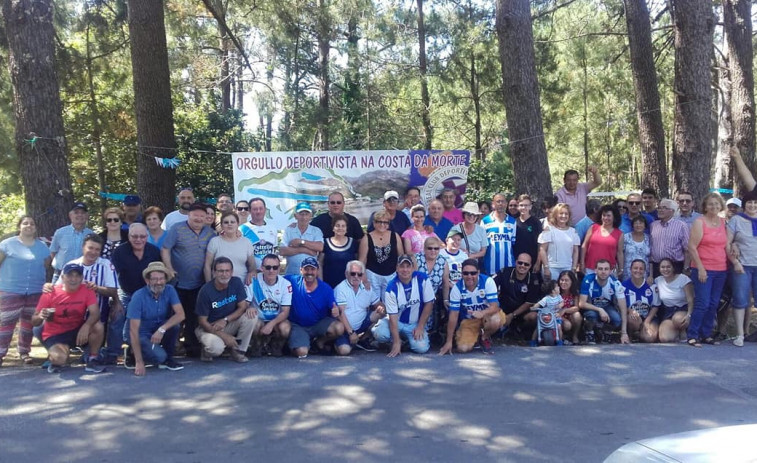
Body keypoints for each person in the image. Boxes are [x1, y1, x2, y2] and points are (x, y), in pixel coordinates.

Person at [161, 202, 216, 357]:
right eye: (195, 215)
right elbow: (165, 249)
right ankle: (171, 348)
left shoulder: (210, 233)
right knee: (175, 315)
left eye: (202, 216)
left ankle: (192, 348)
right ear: (189, 215)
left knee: (194, 316)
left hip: (199, 283)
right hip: (178, 282)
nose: (198, 218)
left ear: (206, 217)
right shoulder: (177, 229)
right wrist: (168, 268)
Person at [32, 263, 105, 374]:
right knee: (60, 359)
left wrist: (86, 326)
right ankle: (55, 357)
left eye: (77, 276)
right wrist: (41, 316)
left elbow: (95, 313)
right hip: (55, 334)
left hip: (77, 331)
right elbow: (34, 321)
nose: (73, 279)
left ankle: (92, 359)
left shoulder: (87, 290)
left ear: (81, 278)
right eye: (70, 275)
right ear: (62, 277)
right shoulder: (50, 293)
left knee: (98, 326)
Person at [107, 223, 162, 363]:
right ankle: (113, 353)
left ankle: (135, 350)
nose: (138, 239)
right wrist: (116, 300)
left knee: (144, 322)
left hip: (147, 294)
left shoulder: (154, 251)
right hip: (125, 292)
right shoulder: (119, 251)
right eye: (134, 236)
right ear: (129, 237)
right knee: (117, 317)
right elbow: (113, 277)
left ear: (147, 236)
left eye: (142, 236)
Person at [0, 216, 51, 366]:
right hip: (11, 290)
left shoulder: (42, 247)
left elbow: (46, 265)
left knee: (29, 324)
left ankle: (24, 352)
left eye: (32, 223)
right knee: (6, 323)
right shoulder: (7, 244)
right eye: (25, 223)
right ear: (19, 226)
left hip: (35, 290)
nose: (29, 225)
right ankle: (1, 353)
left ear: (35, 227)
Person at [52, 234, 118, 338]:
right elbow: (58, 288)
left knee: (101, 325)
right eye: (90, 248)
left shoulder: (106, 265)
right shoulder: (72, 264)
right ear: (83, 247)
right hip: (71, 314)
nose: (93, 252)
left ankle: (95, 353)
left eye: (97, 249)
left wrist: (96, 288)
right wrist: (48, 287)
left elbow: (113, 291)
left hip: (96, 316)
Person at [687, 193, 730, 347]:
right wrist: (700, 268)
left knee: (713, 303)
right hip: (703, 269)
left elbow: (727, 244)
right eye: (710, 204)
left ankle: (706, 334)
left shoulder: (724, 222)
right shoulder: (700, 222)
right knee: (702, 303)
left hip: (721, 269)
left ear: (721, 206)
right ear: (705, 206)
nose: (714, 206)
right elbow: (691, 247)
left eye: (717, 204)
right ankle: (692, 334)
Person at [126, 261, 185, 375]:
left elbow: (180, 315)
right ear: (147, 280)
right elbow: (133, 331)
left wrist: (161, 329)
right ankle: (133, 352)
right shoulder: (138, 296)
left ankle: (169, 358)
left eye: (162, 278)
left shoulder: (170, 290)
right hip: (140, 333)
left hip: (157, 328)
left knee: (174, 326)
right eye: (155, 279)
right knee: (159, 357)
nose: (159, 282)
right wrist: (139, 362)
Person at [372, 255, 434, 357]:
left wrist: (420, 326)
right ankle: (396, 340)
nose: (405, 270)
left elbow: (429, 304)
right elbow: (393, 317)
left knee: (422, 348)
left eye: (408, 266)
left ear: (413, 268)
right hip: (398, 321)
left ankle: (405, 342)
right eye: (402, 266)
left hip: (414, 323)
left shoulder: (423, 279)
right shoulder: (391, 287)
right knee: (380, 333)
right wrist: (396, 342)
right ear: (397, 268)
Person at [196, 257, 255, 363]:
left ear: (232, 272)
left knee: (251, 316)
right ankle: (206, 351)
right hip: (209, 327)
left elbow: (242, 307)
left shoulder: (236, 282)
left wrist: (226, 319)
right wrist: (223, 336)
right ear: (214, 272)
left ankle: (238, 351)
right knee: (216, 349)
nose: (224, 274)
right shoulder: (205, 291)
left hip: (228, 323)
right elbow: (202, 321)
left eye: (227, 271)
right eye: (220, 271)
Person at [439, 259, 503, 355]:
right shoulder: (456, 288)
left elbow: (495, 306)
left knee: (496, 320)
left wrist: (482, 313)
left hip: (487, 316)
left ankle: (485, 337)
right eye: (466, 273)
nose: (469, 276)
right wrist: (448, 341)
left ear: (478, 272)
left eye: (473, 273)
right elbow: (453, 315)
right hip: (469, 321)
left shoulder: (488, 281)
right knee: (462, 348)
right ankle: (477, 336)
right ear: (462, 274)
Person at [285, 257, 344, 358]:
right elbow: (274, 279)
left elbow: (334, 308)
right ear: (301, 270)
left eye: (312, 269)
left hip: (317, 324)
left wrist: (335, 311)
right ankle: (292, 345)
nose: (309, 272)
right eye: (306, 269)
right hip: (298, 325)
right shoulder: (291, 281)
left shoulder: (326, 288)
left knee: (339, 328)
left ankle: (318, 342)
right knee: (302, 353)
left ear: (317, 271)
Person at [334, 261, 384, 355]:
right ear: (346, 274)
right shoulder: (340, 289)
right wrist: (351, 333)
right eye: (353, 273)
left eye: (359, 274)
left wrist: (384, 309)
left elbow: (378, 303)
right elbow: (340, 314)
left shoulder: (367, 287)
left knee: (379, 313)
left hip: (361, 325)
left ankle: (363, 339)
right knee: (344, 351)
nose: (356, 276)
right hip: (345, 329)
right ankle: (338, 342)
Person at [727, 190, 757, 347]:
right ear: (744, 205)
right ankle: (740, 334)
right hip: (742, 266)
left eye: (755, 202)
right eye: (749, 202)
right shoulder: (736, 220)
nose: (752, 205)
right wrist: (735, 261)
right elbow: (727, 243)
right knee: (740, 300)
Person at [247, 254, 292, 357]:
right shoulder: (253, 280)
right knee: (253, 323)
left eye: (275, 267)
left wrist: (271, 324)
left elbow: (285, 311)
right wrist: (248, 307)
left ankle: (275, 345)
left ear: (279, 269)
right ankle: (257, 344)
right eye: (268, 267)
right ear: (262, 268)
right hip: (259, 319)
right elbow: (244, 303)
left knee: (285, 328)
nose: (271, 270)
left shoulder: (286, 284)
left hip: (276, 320)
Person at [578, 259, 630, 345]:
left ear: (610, 271)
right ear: (595, 270)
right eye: (600, 269)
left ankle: (606, 332)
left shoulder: (615, 283)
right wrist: (600, 310)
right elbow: (582, 303)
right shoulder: (587, 280)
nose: (603, 272)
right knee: (591, 315)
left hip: (608, 307)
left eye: (606, 269)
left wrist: (624, 333)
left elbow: (623, 308)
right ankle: (589, 332)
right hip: (591, 307)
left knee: (617, 319)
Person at [493, 253, 543, 336]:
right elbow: (491, 286)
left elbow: (529, 303)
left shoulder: (534, 280)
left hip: (521, 312)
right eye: (520, 263)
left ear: (530, 266)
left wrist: (512, 315)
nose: (522, 266)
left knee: (534, 316)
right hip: (503, 309)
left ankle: (520, 331)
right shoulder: (504, 272)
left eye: (526, 264)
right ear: (516, 262)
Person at [359, 210, 405, 298]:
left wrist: (401, 275)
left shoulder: (395, 236)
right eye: (379, 222)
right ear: (374, 223)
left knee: (390, 303)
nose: (382, 224)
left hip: (391, 275)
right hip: (372, 276)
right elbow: (362, 260)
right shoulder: (366, 238)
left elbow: (401, 257)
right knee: (374, 304)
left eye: (385, 222)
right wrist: (363, 279)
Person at [204, 211, 256, 285]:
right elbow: (207, 266)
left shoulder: (246, 242)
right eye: (226, 222)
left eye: (232, 222)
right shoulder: (214, 242)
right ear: (221, 225)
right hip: (219, 286)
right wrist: (209, 286)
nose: (229, 224)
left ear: (237, 224)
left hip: (241, 286)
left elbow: (252, 266)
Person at [50, 201, 93, 283]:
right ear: (70, 215)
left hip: (82, 276)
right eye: (76, 212)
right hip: (60, 275)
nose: (79, 215)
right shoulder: (60, 232)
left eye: (83, 213)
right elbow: (53, 252)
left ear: (87, 216)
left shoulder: (91, 235)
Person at [655, 258, 694, 343]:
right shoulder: (658, 280)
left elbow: (691, 299)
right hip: (668, 311)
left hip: (683, 309)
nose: (665, 269)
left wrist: (689, 315)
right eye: (663, 267)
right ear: (659, 269)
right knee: (664, 338)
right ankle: (676, 331)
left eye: (668, 267)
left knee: (677, 319)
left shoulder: (683, 279)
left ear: (673, 268)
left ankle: (683, 330)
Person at [538, 203, 580, 281]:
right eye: (561, 213)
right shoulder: (549, 230)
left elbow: (575, 251)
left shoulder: (573, 231)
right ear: (556, 215)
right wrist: (546, 267)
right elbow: (542, 250)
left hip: (567, 267)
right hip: (552, 268)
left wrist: (574, 268)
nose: (563, 216)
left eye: (566, 214)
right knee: (552, 292)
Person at [649, 199, 690, 277]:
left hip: (675, 267)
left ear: (672, 211)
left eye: (664, 208)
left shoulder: (681, 226)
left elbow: (687, 250)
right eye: (659, 207)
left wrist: (686, 268)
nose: (660, 210)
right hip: (657, 267)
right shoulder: (653, 225)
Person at [280, 202, 324, 275]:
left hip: (310, 276)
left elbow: (320, 247)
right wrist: (303, 250)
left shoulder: (316, 231)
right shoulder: (289, 230)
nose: (304, 217)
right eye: (301, 214)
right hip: (291, 274)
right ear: (295, 216)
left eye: (306, 214)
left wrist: (301, 242)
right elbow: (282, 251)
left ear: (311, 216)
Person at [623, 259, 659, 343]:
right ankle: (631, 334)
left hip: (648, 317)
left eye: (641, 269)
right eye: (635, 268)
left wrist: (646, 322)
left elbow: (655, 306)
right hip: (634, 317)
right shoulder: (623, 286)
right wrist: (630, 310)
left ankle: (640, 334)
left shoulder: (652, 286)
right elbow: (619, 304)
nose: (638, 271)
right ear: (630, 269)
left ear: (644, 271)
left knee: (649, 339)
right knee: (632, 320)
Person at [581, 205, 623, 277]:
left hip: (608, 270)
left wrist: (621, 268)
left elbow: (619, 252)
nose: (606, 218)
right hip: (590, 267)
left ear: (614, 217)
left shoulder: (619, 233)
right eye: (604, 215)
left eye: (609, 216)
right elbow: (584, 246)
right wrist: (582, 263)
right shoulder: (593, 228)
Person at [319, 214, 359, 289]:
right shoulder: (325, 243)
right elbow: (320, 263)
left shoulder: (353, 243)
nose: (340, 228)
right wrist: (321, 283)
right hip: (329, 284)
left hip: (348, 285)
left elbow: (357, 263)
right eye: (337, 225)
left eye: (343, 226)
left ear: (346, 228)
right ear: (333, 228)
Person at [482, 193, 517, 276]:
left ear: (506, 204)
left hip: (508, 265)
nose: (500, 204)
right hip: (490, 266)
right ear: (493, 204)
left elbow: (513, 243)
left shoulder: (512, 221)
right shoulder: (485, 221)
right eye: (498, 201)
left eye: (503, 201)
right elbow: (482, 244)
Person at [243, 197, 279, 267]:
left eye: (261, 208)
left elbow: (274, 250)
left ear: (265, 210)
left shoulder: (272, 228)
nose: (258, 211)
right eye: (255, 209)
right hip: (250, 272)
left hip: (269, 272)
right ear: (250, 211)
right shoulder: (242, 229)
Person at [513, 194, 543, 273]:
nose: (524, 208)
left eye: (526, 205)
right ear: (518, 206)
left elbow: (540, 244)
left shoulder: (536, 222)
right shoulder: (513, 222)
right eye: (521, 205)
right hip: (517, 261)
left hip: (532, 261)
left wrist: (538, 262)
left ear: (530, 207)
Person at [529, 280, 564, 346]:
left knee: (559, 327)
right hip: (546, 316)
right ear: (553, 291)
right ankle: (533, 340)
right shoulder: (546, 299)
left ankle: (560, 340)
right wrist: (534, 307)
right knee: (538, 327)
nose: (559, 287)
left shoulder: (559, 297)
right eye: (557, 286)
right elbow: (539, 304)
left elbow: (562, 302)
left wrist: (560, 305)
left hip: (555, 315)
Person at [557, 270, 582, 345]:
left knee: (577, 315)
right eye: (562, 280)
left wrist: (565, 310)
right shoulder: (556, 291)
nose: (563, 282)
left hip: (568, 314)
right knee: (567, 325)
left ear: (572, 281)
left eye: (566, 280)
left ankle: (575, 336)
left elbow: (576, 307)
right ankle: (562, 337)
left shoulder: (574, 293)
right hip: (558, 315)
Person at [623, 215, 651, 279]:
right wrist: (621, 269)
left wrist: (651, 275)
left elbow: (651, 258)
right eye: (636, 223)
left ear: (645, 225)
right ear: (632, 225)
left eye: (641, 223)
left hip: (644, 273)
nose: (638, 225)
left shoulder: (649, 238)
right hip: (628, 273)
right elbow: (620, 254)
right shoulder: (626, 237)